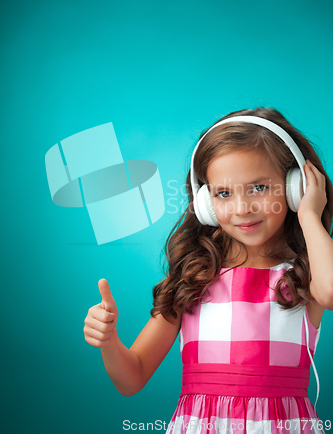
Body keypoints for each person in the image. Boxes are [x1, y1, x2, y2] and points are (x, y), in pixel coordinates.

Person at [83, 106, 333, 433]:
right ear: (206, 203)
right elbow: (132, 378)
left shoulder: (306, 273)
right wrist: (109, 342)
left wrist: (311, 216)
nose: (242, 208)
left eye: (259, 187)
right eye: (224, 193)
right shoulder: (193, 277)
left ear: (294, 188)